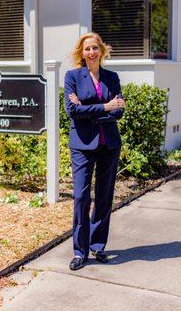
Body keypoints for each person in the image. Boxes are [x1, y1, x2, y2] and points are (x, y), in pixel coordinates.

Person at [64, 32, 125, 271]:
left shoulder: (112, 77)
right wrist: (105, 107)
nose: (91, 52)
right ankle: (80, 251)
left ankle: (98, 245)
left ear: (102, 51)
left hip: (109, 144)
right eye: (87, 49)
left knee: (104, 196)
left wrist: (89, 110)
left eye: (95, 48)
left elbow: (119, 112)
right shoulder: (73, 76)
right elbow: (72, 110)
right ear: (82, 52)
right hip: (82, 145)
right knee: (80, 196)